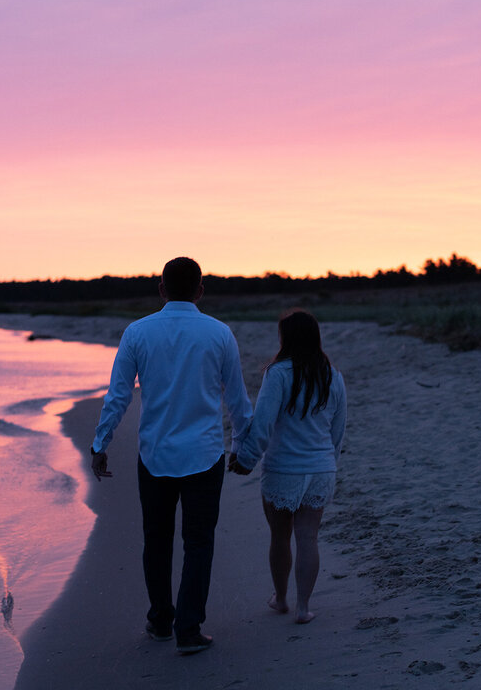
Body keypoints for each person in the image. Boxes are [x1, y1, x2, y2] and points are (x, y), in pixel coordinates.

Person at [91, 257, 253, 654]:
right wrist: (242, 448)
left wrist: (101, 443)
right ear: (200, 290)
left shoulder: (138, 332)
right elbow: (238, 401)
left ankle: (161, 620)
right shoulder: (219, 333)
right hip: (204, 452)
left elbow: (119, 395)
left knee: (157, 541)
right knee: (198, 542)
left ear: (161, 289)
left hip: (156, 455)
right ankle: (189, 628)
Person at [229, 309, 346, 624]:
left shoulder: (278, 373)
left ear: (286, 338)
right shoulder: (333, 375)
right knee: (308, 536)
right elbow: (338, 430)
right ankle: (303, 608)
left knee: (280, 537)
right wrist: (328, 464)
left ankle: (281, 599)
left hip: (284, 468)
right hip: (321, 469)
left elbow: (263, 423)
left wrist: (245, 460)